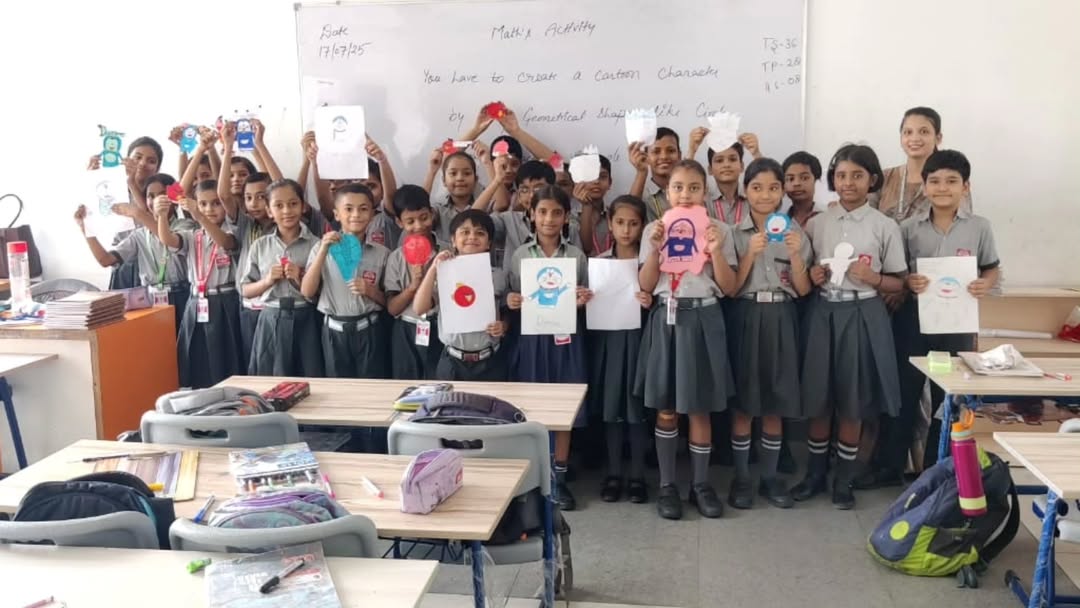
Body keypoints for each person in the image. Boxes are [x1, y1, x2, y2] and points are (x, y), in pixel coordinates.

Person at [871, 150, 1000, 482]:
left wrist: (984, 284)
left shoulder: (980, 227)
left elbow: (991, 268)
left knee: (949, 397)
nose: (943, 188)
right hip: (913, 320)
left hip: (958, 324)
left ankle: (935, 469)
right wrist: (908, 282)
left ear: (966, 187)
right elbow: (897, 273)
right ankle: (890, 467)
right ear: (925, 186)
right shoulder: (907, 228)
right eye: (935, 181)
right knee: (905, 393)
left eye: (952, 181)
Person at [793, 144, 907, 510]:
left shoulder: (884, 226)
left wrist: (875, 278)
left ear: (872, 179)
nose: (848, 183)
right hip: (823, 312)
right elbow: (803, 273)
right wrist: (813, 273)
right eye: (841, 175)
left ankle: (844, 478)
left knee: (853, 401)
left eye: (857, 175)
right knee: (819, 398)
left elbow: (899, 282)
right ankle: (814, 474)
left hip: (863, 314)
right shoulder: (817, 223)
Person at [636, 160, 738, 520]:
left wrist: (716, 251)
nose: (685, 194)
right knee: (666, 407)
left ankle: (700, 484)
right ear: (667, 192)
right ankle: (667, 485)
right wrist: (654, 249)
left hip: (704, 317)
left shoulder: (720, 229)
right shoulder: (654, 229)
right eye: (678, 187)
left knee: (699, 406)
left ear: (705, 192)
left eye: (694, 187)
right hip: (667, 318)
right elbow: (646, 284)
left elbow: (729, 287)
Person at [726, 158, 812, 509]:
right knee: (744, 404)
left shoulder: (795, 233)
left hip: (782, 315)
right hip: (746, 314)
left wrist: (795, 255)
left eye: (773, 188)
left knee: (775, 402)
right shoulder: (734, 233)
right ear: (745, 191)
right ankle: (741, 479)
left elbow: (803, 290)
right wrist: (750, 253)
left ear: (782, 192)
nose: (765, 195)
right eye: (757, 187)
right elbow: (731, 288)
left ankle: (771, 477)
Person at [506, 185, 593, 511]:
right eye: (542, 211)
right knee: (532, 407)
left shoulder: (576, 256)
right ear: (531, 214)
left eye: (557, 212)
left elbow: (582, 299)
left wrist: (582, 300)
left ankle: (559, 478)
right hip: (531, 340)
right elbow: (513, 297)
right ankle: (534, 479)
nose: (549, 219)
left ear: (567, 217)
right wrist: (512, 301)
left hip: (566, 339)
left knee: (563, 410)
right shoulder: (520, 255)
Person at [588, 195, 652, 504]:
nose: (626, 230)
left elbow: (661, 297)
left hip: (640, 341)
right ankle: (613, 473)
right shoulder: (599, 263)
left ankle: (638, 475)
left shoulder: (650, 262)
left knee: (636, 408)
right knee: (612, 407)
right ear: (610, 225)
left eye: (634, 223)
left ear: (643, 226)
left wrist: (649, 301)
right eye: (620, 223)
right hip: (609, 342)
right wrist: (585, 298)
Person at [73, 173, 189, 334]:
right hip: (151, 300)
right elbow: (105, 260)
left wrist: (139, 214)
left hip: (182, 296)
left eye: (162, 194)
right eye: (150, 196)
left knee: (182, 345)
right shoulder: (139, 235)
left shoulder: (185, 226)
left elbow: (168, 240)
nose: (155, 200)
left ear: (174, 201)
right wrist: (85, 228)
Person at [155, 180, 243, 388]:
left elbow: (226, 243)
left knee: (226, 357)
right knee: (196, 356)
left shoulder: (232, 231)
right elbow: (168, 239)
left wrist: (200, 216)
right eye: (203, 204)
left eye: (216, 203)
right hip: (197, 300)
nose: (209, 209)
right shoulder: (193, 236)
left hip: (225, 300)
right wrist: (161, 216)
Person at [301, 183, 391, 379]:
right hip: (334, 332)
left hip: (369, 330)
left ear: (372, 214)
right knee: (338, 386)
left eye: (363, 209)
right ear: (336, 214)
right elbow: (307, 291)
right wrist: (323, 250)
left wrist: (370, 291)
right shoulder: (321, 248)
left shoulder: (382, 253)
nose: (356, 215)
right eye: (348, 209)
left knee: (371, 385)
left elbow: (390, 303)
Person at [414, 209, 510, 381]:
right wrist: (434, 269)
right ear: (453, 240)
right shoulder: (445, 273)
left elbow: (505, 310)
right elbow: (419, 308)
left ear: (488, 243)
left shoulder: (498, 275)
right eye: (465, 232)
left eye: (480, 233)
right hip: (452, 360)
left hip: (490, 360)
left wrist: (503, 325)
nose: (472, 237)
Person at [242, 179, 324, 376]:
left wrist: (300, 278)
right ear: (269, 211)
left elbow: (324, 292)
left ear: (303, 206)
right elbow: (245, 290)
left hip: (307, 316)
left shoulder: (317, 244)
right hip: (271, 317)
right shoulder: (260, 245)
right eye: (278, 205)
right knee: (271, 376)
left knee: (310, 374)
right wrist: (267, 281)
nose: (287, 211)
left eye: (293, 204)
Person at [384, 185, 448, 380]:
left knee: (439, 381)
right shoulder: (396, 258)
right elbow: (392, 309)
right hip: (407, 329)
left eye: (424, 217)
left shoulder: (448, 252)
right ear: (399, 222)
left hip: (442, 327)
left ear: (432, 214)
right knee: (406, 382)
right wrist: (413, 286)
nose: (419, 226)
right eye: (410, 221)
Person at [871, 106, 972, 222]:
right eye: (908, 132)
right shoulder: (884, 178)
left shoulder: (952, 179)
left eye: (924, 132)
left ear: (938, 138)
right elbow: (866, 221)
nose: (914, 138)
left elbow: (961, 224)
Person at [628, 127, 681, 222]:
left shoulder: (689, 189)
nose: (664, 156)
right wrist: (641, 172)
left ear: (679, 155)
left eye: (670, 151)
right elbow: (629, 215)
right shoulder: (641, 192)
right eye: (656, 151)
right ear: (646, 156)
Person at [782, 151, 823, 228]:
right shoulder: (779, 221)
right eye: (791, 179)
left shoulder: (829, 215)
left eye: (804, 178)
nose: (796, 183)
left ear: (815, 180)